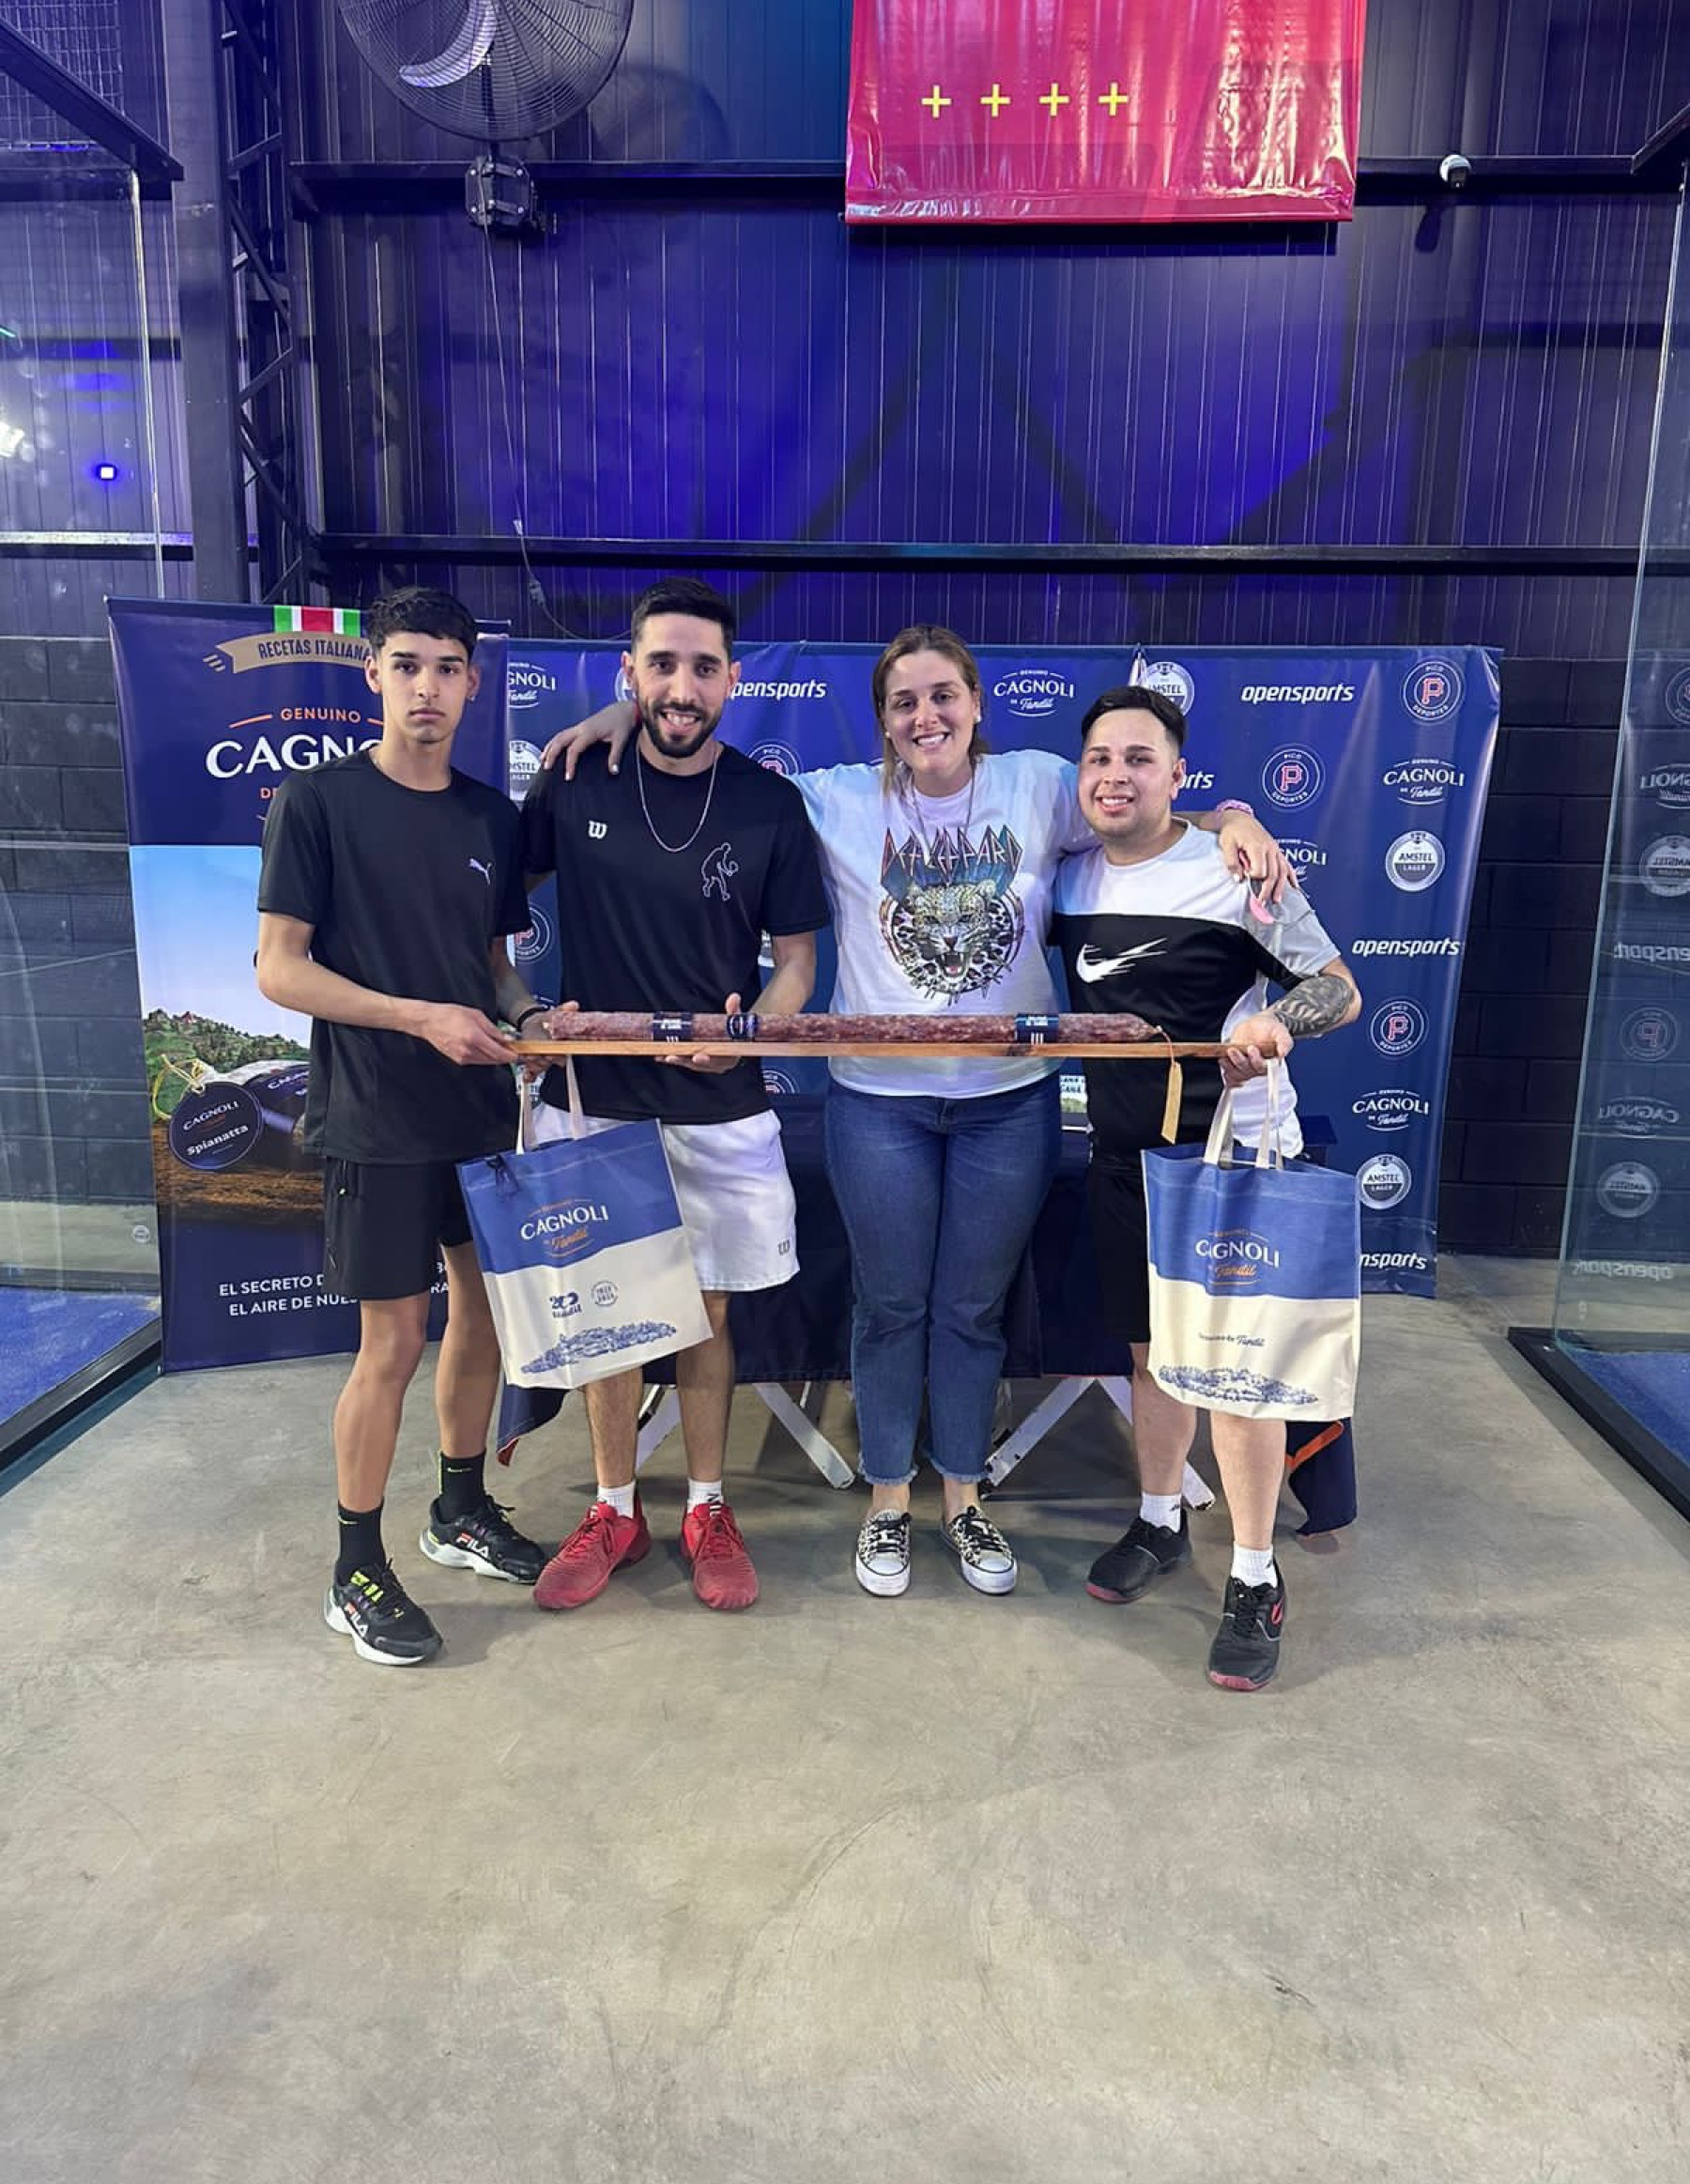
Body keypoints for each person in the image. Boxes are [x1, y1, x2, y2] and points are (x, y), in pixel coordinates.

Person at [543, 627, 1292, 1604]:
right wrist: (625, 713)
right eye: (904, 702)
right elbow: (709, 772)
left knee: (972, 1311)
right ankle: (890, 1499)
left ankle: (964, 1500)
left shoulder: (1037, 784)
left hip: (1007, 1105)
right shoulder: (835, 799)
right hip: (878, 1104)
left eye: (943, 697)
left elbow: (1139, 806)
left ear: (977, 705)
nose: (925, 717)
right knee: (890, 1307)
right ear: (883, 720)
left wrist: (1228, 817)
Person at [519, 579, 830, 1614]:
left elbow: (797, 967)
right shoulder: (572, 781)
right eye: (661, 664)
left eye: (703, 668)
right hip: (593, 1098)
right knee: (605, 1315)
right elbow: (485, 909)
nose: (682, 687)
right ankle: (614, 1508)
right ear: (630, 673)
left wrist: (750, 1031)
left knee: (706, 1315)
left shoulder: (769, 804)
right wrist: (521, 1010)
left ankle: (706, 1505)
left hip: (721, 1105)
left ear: (732, 680)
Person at [256, 587, 551, 1668]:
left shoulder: (491, 818)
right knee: (390, 1345)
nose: (428, 687)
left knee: (483, 1317)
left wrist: (529, 1017)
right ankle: (356, 1570)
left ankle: (459, 1508)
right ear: (374, 673)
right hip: (375, 1117)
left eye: (447, 668)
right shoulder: (316, 802)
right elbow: (280, 969)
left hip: (478, 1115)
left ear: (473, 683)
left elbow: (492, 966)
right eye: (408, 665)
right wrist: (420, 1018)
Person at [1051, 684, 1361, 1691]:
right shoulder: (1068, 876)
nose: (1116, 777)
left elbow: (1338, 988)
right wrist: (1232, 810)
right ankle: (1159, 1521)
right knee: (1151, 1360)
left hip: (1234, 1163)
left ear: (1176, 774)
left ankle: (1256, 1576)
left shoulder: (1236, 872)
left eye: (1140, 759)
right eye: (1100, 759)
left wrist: (1275, 1025)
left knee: (1238, 1378)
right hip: (1125, 1159)